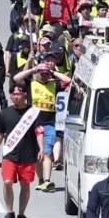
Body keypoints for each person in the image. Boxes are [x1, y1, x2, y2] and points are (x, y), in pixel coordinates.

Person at [13, 53, 71, 192]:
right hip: (33, 124)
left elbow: (69, 81)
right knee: (36, 156)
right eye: (42, 73)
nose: (44, 76)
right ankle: (40, 180)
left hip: (49, 124)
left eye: (46, 74)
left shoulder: (54, 84)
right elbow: (16, 78)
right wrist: (33, 69)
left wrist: (52, 72)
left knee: (47, 153)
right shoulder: (31, 84)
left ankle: (47, 180)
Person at [0, 86, 44, 218]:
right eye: (13, 94)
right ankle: (9, 212)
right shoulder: (4, 114)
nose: (15, 96)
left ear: (25, 95)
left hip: (28, 154)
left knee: (25, 185)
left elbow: (39, 131)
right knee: (7, 182)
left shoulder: (33, 113)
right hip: (10, 154)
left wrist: (41, 148)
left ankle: (21, 214)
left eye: (18, 94)